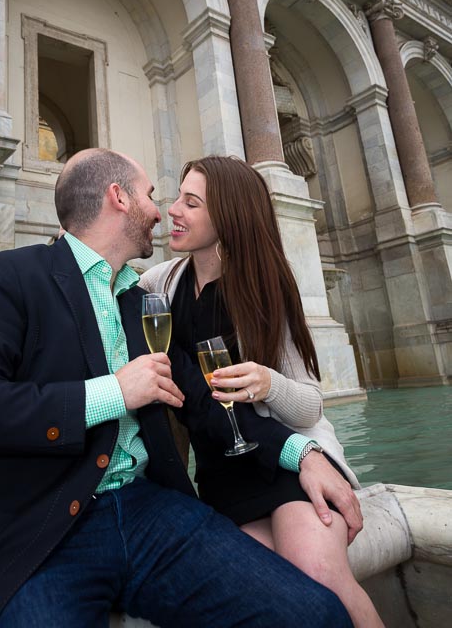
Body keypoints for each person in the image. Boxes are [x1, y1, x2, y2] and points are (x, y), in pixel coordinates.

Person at [0, 148, 357, 628]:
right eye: (150, 194)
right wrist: (113, 393)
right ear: (119, 198)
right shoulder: (9, 277)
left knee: (315, 614)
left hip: (151, 512)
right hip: (43, 529)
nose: (161, 210)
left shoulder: (145, 300)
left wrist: (303, 453)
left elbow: (199, 400)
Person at [140, 155, 383, 628]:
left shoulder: (266, 285)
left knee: (319, 573)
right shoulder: (161, 283)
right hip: (222, 477)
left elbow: (311, 402)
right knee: (267, 592)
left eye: (191, 202)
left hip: (291, 462)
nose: (173, 210)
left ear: (227, 216)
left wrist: (270, 384)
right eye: (177, 197)